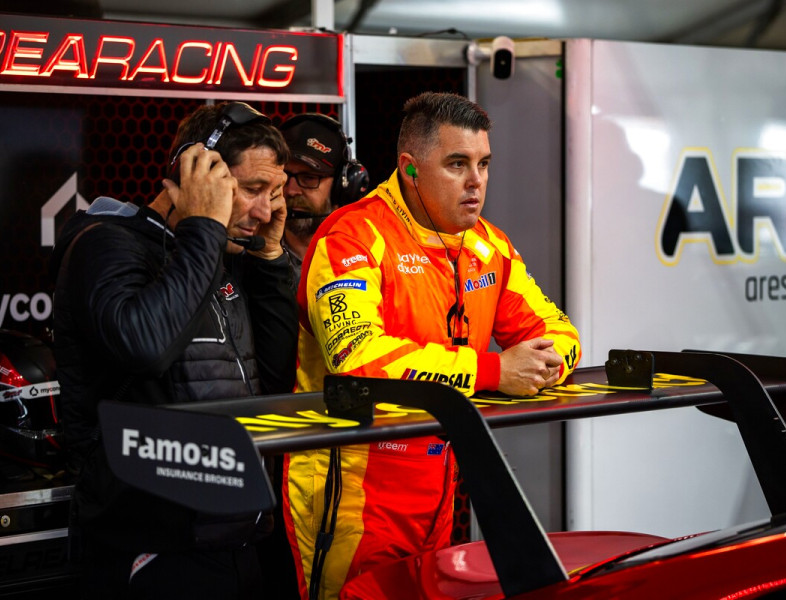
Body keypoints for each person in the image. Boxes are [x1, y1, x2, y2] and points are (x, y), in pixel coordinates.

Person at [284, 91, 582, 599]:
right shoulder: (351, 237)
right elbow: (358, 360)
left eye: (484, 164)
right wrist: (494, 372)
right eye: (457, 164)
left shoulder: (489, 245)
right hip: (352, 487)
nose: (476, 181)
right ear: (410, 169)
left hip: (442, 478)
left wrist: (538, 366)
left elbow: (561, 334)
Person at [50, 101, 297, 599]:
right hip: (153, 548)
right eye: (252, 190)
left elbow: (276, 381)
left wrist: (271, 258)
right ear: (196, 172)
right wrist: (203, 226)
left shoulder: (222, 254)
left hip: (237, 537)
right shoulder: (106, 244)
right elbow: (145, 347)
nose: (266, 211)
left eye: (273, 194)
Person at [279, 113, 369, 288]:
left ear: (341, 188)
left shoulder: (366, 256)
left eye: (309, 178)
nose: (291, 190)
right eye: (284, 176)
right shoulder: (251, 257)